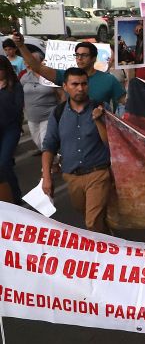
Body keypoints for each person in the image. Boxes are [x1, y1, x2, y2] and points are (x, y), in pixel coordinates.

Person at [41, 68, 114, 232]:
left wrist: (99, 121)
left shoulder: (101, 108)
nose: (80, 88)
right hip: (71, 176)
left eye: (84, 84)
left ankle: (101, 255)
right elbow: (49, 146)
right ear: (65, 86)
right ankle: (111, 242)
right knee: (90, 216)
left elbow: (111, 143)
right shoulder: (58, 112)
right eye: (75, 84)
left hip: (98, 173)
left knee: (92, 222)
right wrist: (46, 177)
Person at [13, 35, 125, 111]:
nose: (79, 58)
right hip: (73, 132)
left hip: (100, 134)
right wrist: (21, 46)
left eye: (84, 55)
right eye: (77, 55)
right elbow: (37, 67)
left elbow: (126, 102)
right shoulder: (66, 76)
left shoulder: (109, 80)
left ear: (93, 58)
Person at [19, 45, 62, 152]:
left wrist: (62, 111)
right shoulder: (25, 77)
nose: (29, 62)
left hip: (49, 116)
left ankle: (52, 166)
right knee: (38, 143)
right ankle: (55, 160)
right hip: (32, 118)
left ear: (41, 62)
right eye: (28, 60)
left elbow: (61, 94)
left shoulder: (51, 77)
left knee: (45, 143)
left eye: (32, 60)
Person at [0, 56, 24, 203]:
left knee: (4, 163)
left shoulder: (14, 86)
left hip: (10, 129)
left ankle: (16, 198)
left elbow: (16, 109)